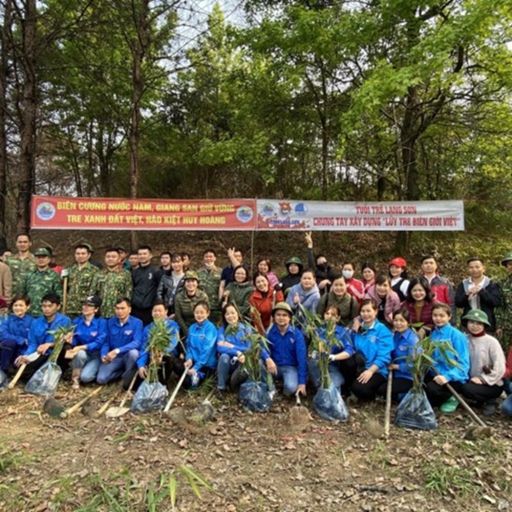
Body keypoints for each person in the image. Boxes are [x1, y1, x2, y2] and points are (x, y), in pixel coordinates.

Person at [14, 293, 72, 382]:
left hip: (56, 354)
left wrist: (50, 344)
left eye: (50, 306)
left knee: (64, 349)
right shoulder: (36, 322)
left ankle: (59, 372)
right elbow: (33, 343)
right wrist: (26, 355)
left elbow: (66, 340)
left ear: (58, 306)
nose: (47, 309)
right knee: (24, 374)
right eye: (44, 306)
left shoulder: (65, 321)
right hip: (41, 353)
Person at [459, 309, 506, 416]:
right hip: (471, 380)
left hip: (492, 383)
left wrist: (483, 379)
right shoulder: (464, 339)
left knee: (467, 389)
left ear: (484, 325)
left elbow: (500, 367)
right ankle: (479, 400)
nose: (474, 326)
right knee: (460, 386)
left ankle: (491, 400)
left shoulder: (491, 341)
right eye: (471, 322)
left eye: (479, 323)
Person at [425, 302, 470, 413]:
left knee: (431, 390)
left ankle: (453, 397)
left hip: (452, 377)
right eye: (435, 315)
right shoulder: (433, 334)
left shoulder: (456, 335)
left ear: (449, 317)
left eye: (442, 316)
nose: (438, 319)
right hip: (436, 374)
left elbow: (463, 363)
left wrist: (448, 376)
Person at [349, 299, 394, 401]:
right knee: (347, 361)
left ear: (376, 311)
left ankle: (376, 394)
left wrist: (370, 371)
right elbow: (351, 347)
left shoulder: (382, 330)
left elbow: (384, 356)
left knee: (360, 389)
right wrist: (353, 331)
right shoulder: (358, 328)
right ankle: (351, 388)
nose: (365, 314)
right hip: (361, 366)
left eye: (368, 311)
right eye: (363, 311)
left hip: (376, 370)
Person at [96, 298, 143, 388]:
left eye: (122, 308)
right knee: (101, 379)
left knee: (134, 353)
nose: (119, 311)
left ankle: (128, 376)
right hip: (114, 358)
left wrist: (117, 350)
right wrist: (104, 355)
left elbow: (137, 342)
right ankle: (121, 374)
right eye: (117, 308)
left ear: (129, 309)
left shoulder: (137, 323)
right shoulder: (110, 322)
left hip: (127, 356)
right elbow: (106, 342)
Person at [263, 302, 307, 397]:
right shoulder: (270, 332)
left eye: (284, 315)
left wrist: (302, 383)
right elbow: (262, 346)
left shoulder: (296, 334)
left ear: (290, 318)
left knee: (290, 388)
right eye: (278, 315)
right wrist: (267, 358)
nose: (281, 318)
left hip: (290, 367)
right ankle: (272, 389)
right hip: (275, 366)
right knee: (259, 364)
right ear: (274, 317)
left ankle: (284, 389)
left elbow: (301, 359)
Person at [135, 300, 181, 389]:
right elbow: (144, 348)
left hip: (167, 356)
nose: (157, 313)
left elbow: (173, 342)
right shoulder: (148, 328)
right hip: (152, 357)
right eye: (155, 311)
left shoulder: (172, 325)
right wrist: (140, 365)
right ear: (152, 313)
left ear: (166, 312)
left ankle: (163, 384)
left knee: (166, 359)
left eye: (160, 311)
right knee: (135, 384)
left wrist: (161, 353)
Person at [64, 295, 106, 389]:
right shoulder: (77, 321)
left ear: (96, 309)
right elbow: (75, 339)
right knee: (80, 354)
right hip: (84, 354)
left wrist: (82, 347)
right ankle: (75, 378)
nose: (85, 307)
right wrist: (70, 341)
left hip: (96, 355)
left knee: (86, 377)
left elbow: (99, 343)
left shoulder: (102, 322)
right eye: (84, 305)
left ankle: (93, 371)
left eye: (89, 306)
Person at [308, 305, 353, 393]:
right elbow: (311, 350)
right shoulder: (318, 331)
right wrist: (315, 351)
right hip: (319, 365)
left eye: (333, 315)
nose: (329, 316)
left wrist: (334, 357)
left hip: (333, 367)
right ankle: (318, 387)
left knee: (332, 387)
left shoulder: (342, 332)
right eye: (327, 313)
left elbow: (349, 350)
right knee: (312, 363)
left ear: (338, 318)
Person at [376, 309, 418, 401]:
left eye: (402, 321)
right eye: (396, 320)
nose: (398, 323)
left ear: (408, 322)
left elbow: (413, 365)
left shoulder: (412, 340)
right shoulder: (396, 335)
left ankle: (405, 395)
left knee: (382, 390)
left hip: (408, 376)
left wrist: (396, 367)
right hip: (395, 373)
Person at [455, 257, 502, 333]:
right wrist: (467, 294)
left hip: (486, 322)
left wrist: (481, 292)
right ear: (468, 269)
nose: (474, 269)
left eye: (477, 267)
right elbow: (458, 303)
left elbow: (496, 302)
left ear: (483, 268)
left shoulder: (491, 283)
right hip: (468, 322)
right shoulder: (464, 283)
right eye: (471, 267)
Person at [216, 304, 253, 393]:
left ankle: (234, 385)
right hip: (229, 363)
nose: (230, 316)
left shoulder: (246, 329)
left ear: (237, 314)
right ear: (224, 316)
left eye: (233, 313)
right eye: (227, 314)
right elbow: (220, 347)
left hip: (242, 361)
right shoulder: (222, 330)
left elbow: (248, 347)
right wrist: (237, 352)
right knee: (224, 356)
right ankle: (221, 387)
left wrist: (232, 346)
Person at [184, 302, 218, 388]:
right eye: (197, 312)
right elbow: (189, 346)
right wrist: (189, 358)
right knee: (185, 381)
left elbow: (207, 351)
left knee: (190, 384)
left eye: (202, 312)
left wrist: (196, 368)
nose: (199, 315)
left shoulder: (210, 328)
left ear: (208, 313)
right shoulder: (192, 328)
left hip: (206, 365)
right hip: (194, 362)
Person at [91, 248, 133, 318]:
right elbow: (93, 293)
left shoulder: (126, 274)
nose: (110, 259)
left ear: (119, 259)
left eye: (113, 257)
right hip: (101, 313)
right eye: (108, 257)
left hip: (118, 313)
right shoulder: (98, 274)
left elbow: (128, 293)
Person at [22, 248, 62, 317]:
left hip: (46, 314)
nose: (41, 259)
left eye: (44, 257)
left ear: (49, 259)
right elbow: (23, 293)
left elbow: (58, 296)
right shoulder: (29, 274)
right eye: (38, 257)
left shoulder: (54, 276)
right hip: (29, 313)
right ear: (35, 259)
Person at [63, 244, 99, 318]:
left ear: (89, 255)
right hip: (70, 308)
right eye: (78, 253)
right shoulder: (70, 270)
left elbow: (94, 291)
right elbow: (64, 288)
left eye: (83, 254)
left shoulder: (94, 271)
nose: (80, 256)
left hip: (85, 308)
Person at [0, 296, 33, 376]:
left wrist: (25, 354)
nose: (18, 308)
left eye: (21, 305)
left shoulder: (33, 321)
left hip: (23, 352)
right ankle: (3, 371)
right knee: (9, 342)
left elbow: (33, 340)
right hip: (7, 351)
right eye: (15, 305)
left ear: (27, 307)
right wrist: (21, 340)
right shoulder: (7, 320)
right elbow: (2, 334)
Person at [131, 245, 163, 325]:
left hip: (150, 308)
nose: (142, 256)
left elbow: (161, 289)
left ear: (150, 255)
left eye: (144, 254)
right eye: (140, 254)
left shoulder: (156, 271)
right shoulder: (134, 272)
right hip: (136, 309)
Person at [174, 271, 209, 337]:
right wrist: (186, 331)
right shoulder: (178, 297)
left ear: (197, 283)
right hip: (185, 326)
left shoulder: (203, 296)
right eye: (188, 281)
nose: (190, 284)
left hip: (200, 325)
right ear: (184, 283)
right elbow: (178, 316)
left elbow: (206, 314)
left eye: (193, 281)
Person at [197, 249, 222, 324]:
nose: (208, 259)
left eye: (211, 256)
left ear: (215, 258)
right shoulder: (198, 272)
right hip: (203, 305)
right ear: (203, 258)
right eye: (206, 257)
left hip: (216, 306)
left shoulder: (221, 272)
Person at [496, 251, 512, 351]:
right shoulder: (502, 284)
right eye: (510, 264)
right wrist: (499, 326)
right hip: (507, 326)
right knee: (503, 354)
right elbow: (499, 306)